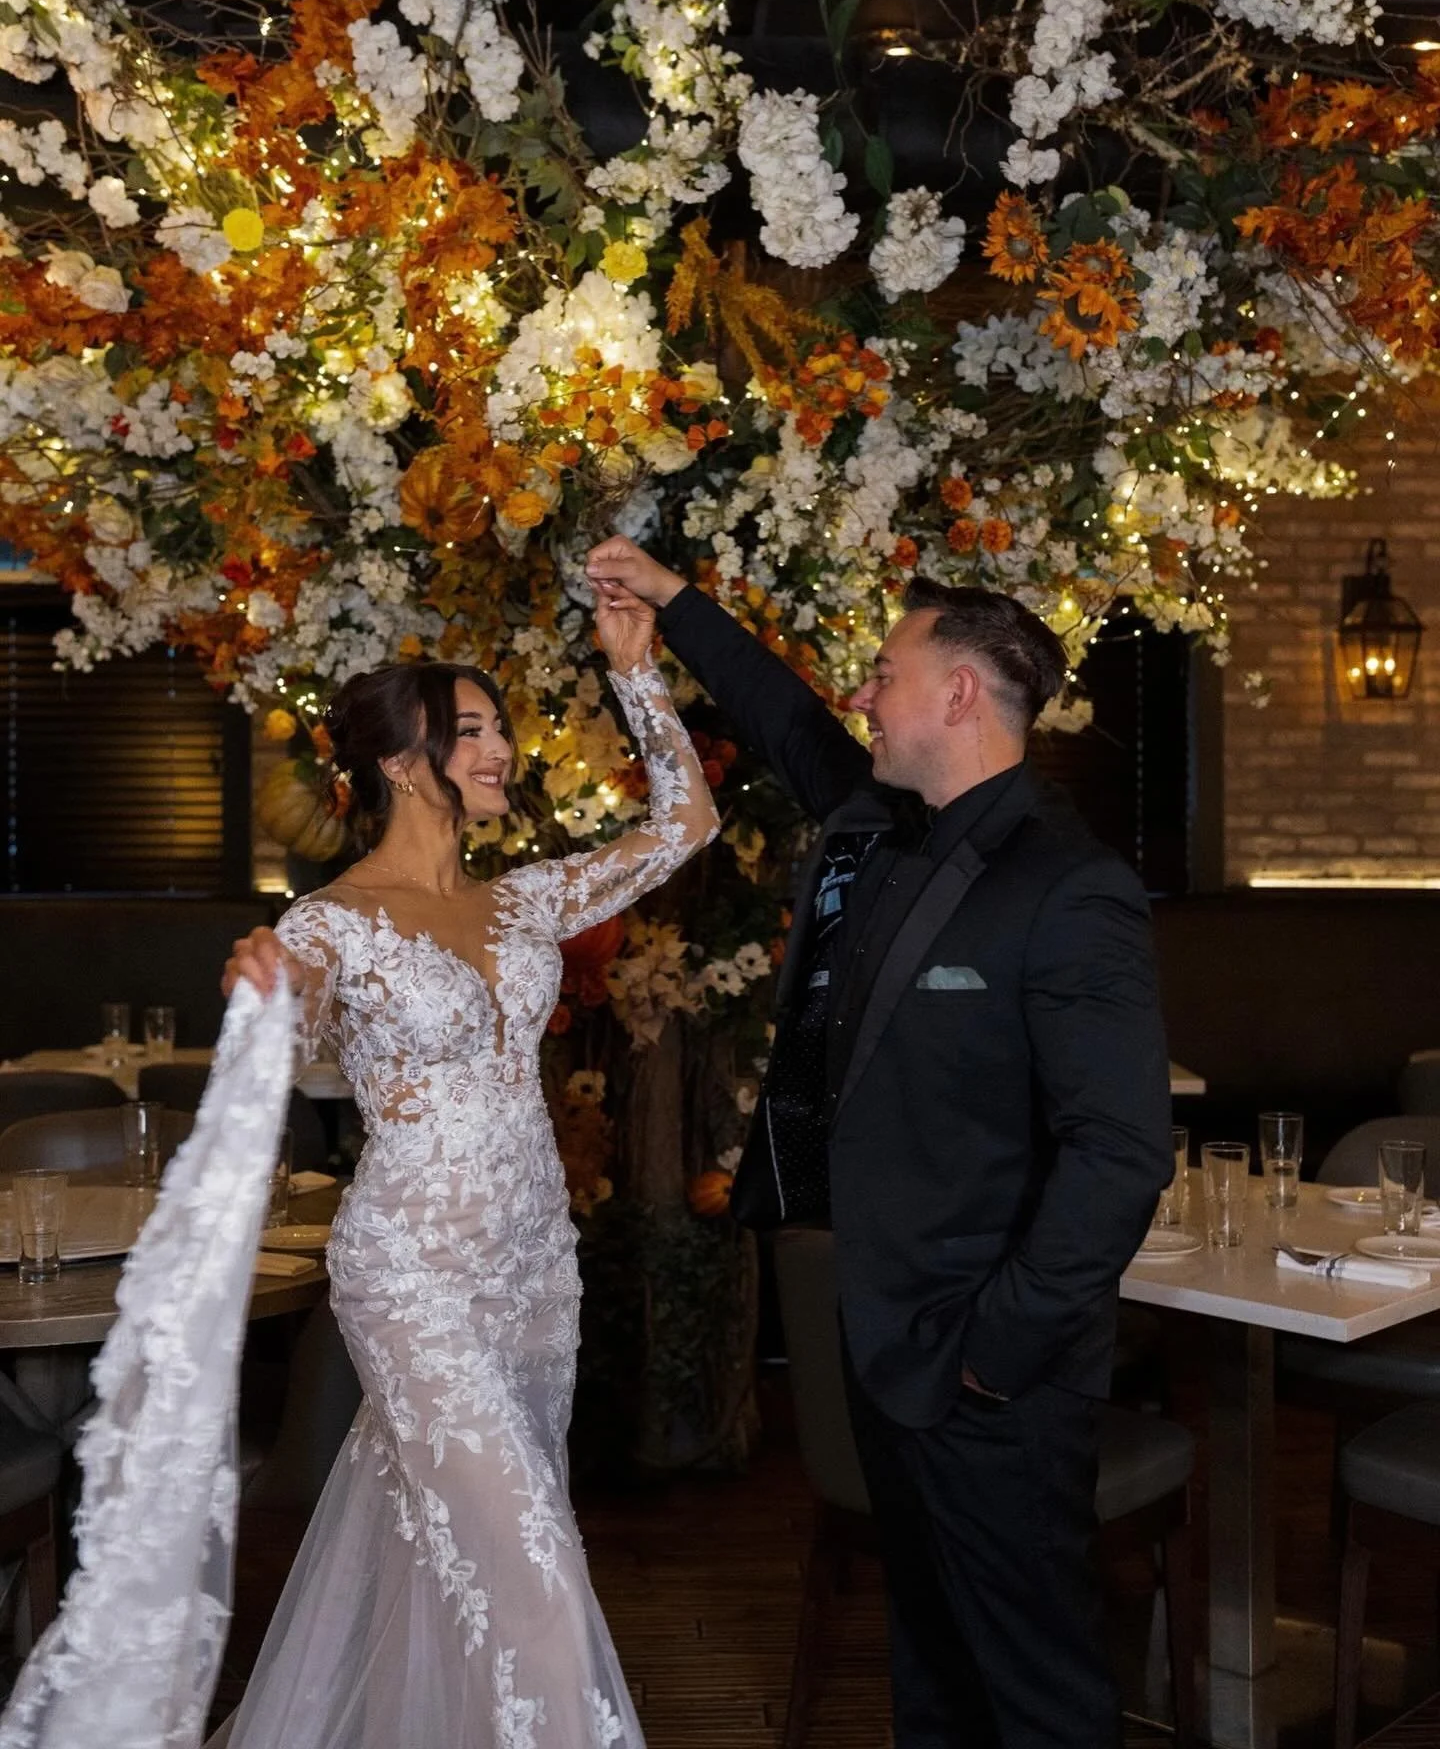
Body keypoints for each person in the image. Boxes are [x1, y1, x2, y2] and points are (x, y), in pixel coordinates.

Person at [586, 536, 1174, 1749]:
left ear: (959, 693)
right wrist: (672, 600)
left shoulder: (1072, 889)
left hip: (989, 1366)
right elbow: (788, 717)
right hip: (886, 1337)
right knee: (935, 1677)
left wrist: (994, 1349)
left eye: (885, 671)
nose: (863, 692)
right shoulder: (873, 826)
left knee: (1040, 1695)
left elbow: (1119, 1151)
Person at [214, 578, 717, 1748]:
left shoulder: (523, 903)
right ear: (401, 762)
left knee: (453, 1555)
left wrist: (638, 670)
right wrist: (263, 998)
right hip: (416, 1280)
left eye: (499, 730)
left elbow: (683, 825)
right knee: (536, 1585)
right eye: (475, 731)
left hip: (535, 1273)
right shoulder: (328, 924)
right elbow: (283, 1051)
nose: (503, 752)